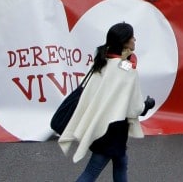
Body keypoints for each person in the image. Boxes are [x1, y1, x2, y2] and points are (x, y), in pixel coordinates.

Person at [58, 22, 155, 182]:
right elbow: (134, 109)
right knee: (92, 171)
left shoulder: (101, 62)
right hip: (113, 130)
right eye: (131, 37)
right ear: (124, 41)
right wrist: (147, 105)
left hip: (101, 125)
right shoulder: (127, 69)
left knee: (121, 162)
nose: (134, 40)